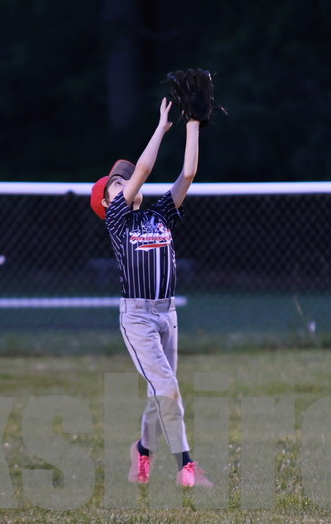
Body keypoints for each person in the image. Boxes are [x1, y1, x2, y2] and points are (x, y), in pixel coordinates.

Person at [89, 97, 212, 489]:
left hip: (167, 314)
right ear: (106, 202)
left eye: (124, 180)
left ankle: (143, 449)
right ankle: (186, 466)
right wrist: (161, 127)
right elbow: (142, 170)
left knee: (158, 394)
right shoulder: (117, 220)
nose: (125, 183)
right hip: (138, 317)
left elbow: (188, 174)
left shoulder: (159, 216)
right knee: (168, 389)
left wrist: (193, 124)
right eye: (117, 184)